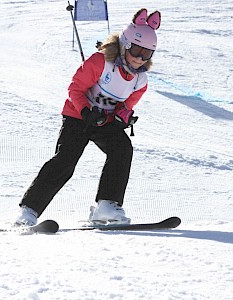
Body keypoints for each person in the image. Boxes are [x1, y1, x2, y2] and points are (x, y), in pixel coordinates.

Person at [15, 8, 161, 226]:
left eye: (146, 54)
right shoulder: (99, 62)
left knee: (122, 149)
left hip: (104, 122)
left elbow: (126, 105)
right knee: (66, 160)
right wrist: (85, 111)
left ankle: (107, 205)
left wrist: (123, 117)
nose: (140, 58)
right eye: (137, 50)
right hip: (78, 115)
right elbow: (75, 89)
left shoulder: (140, 81)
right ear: (124, 44)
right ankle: (28, 212)